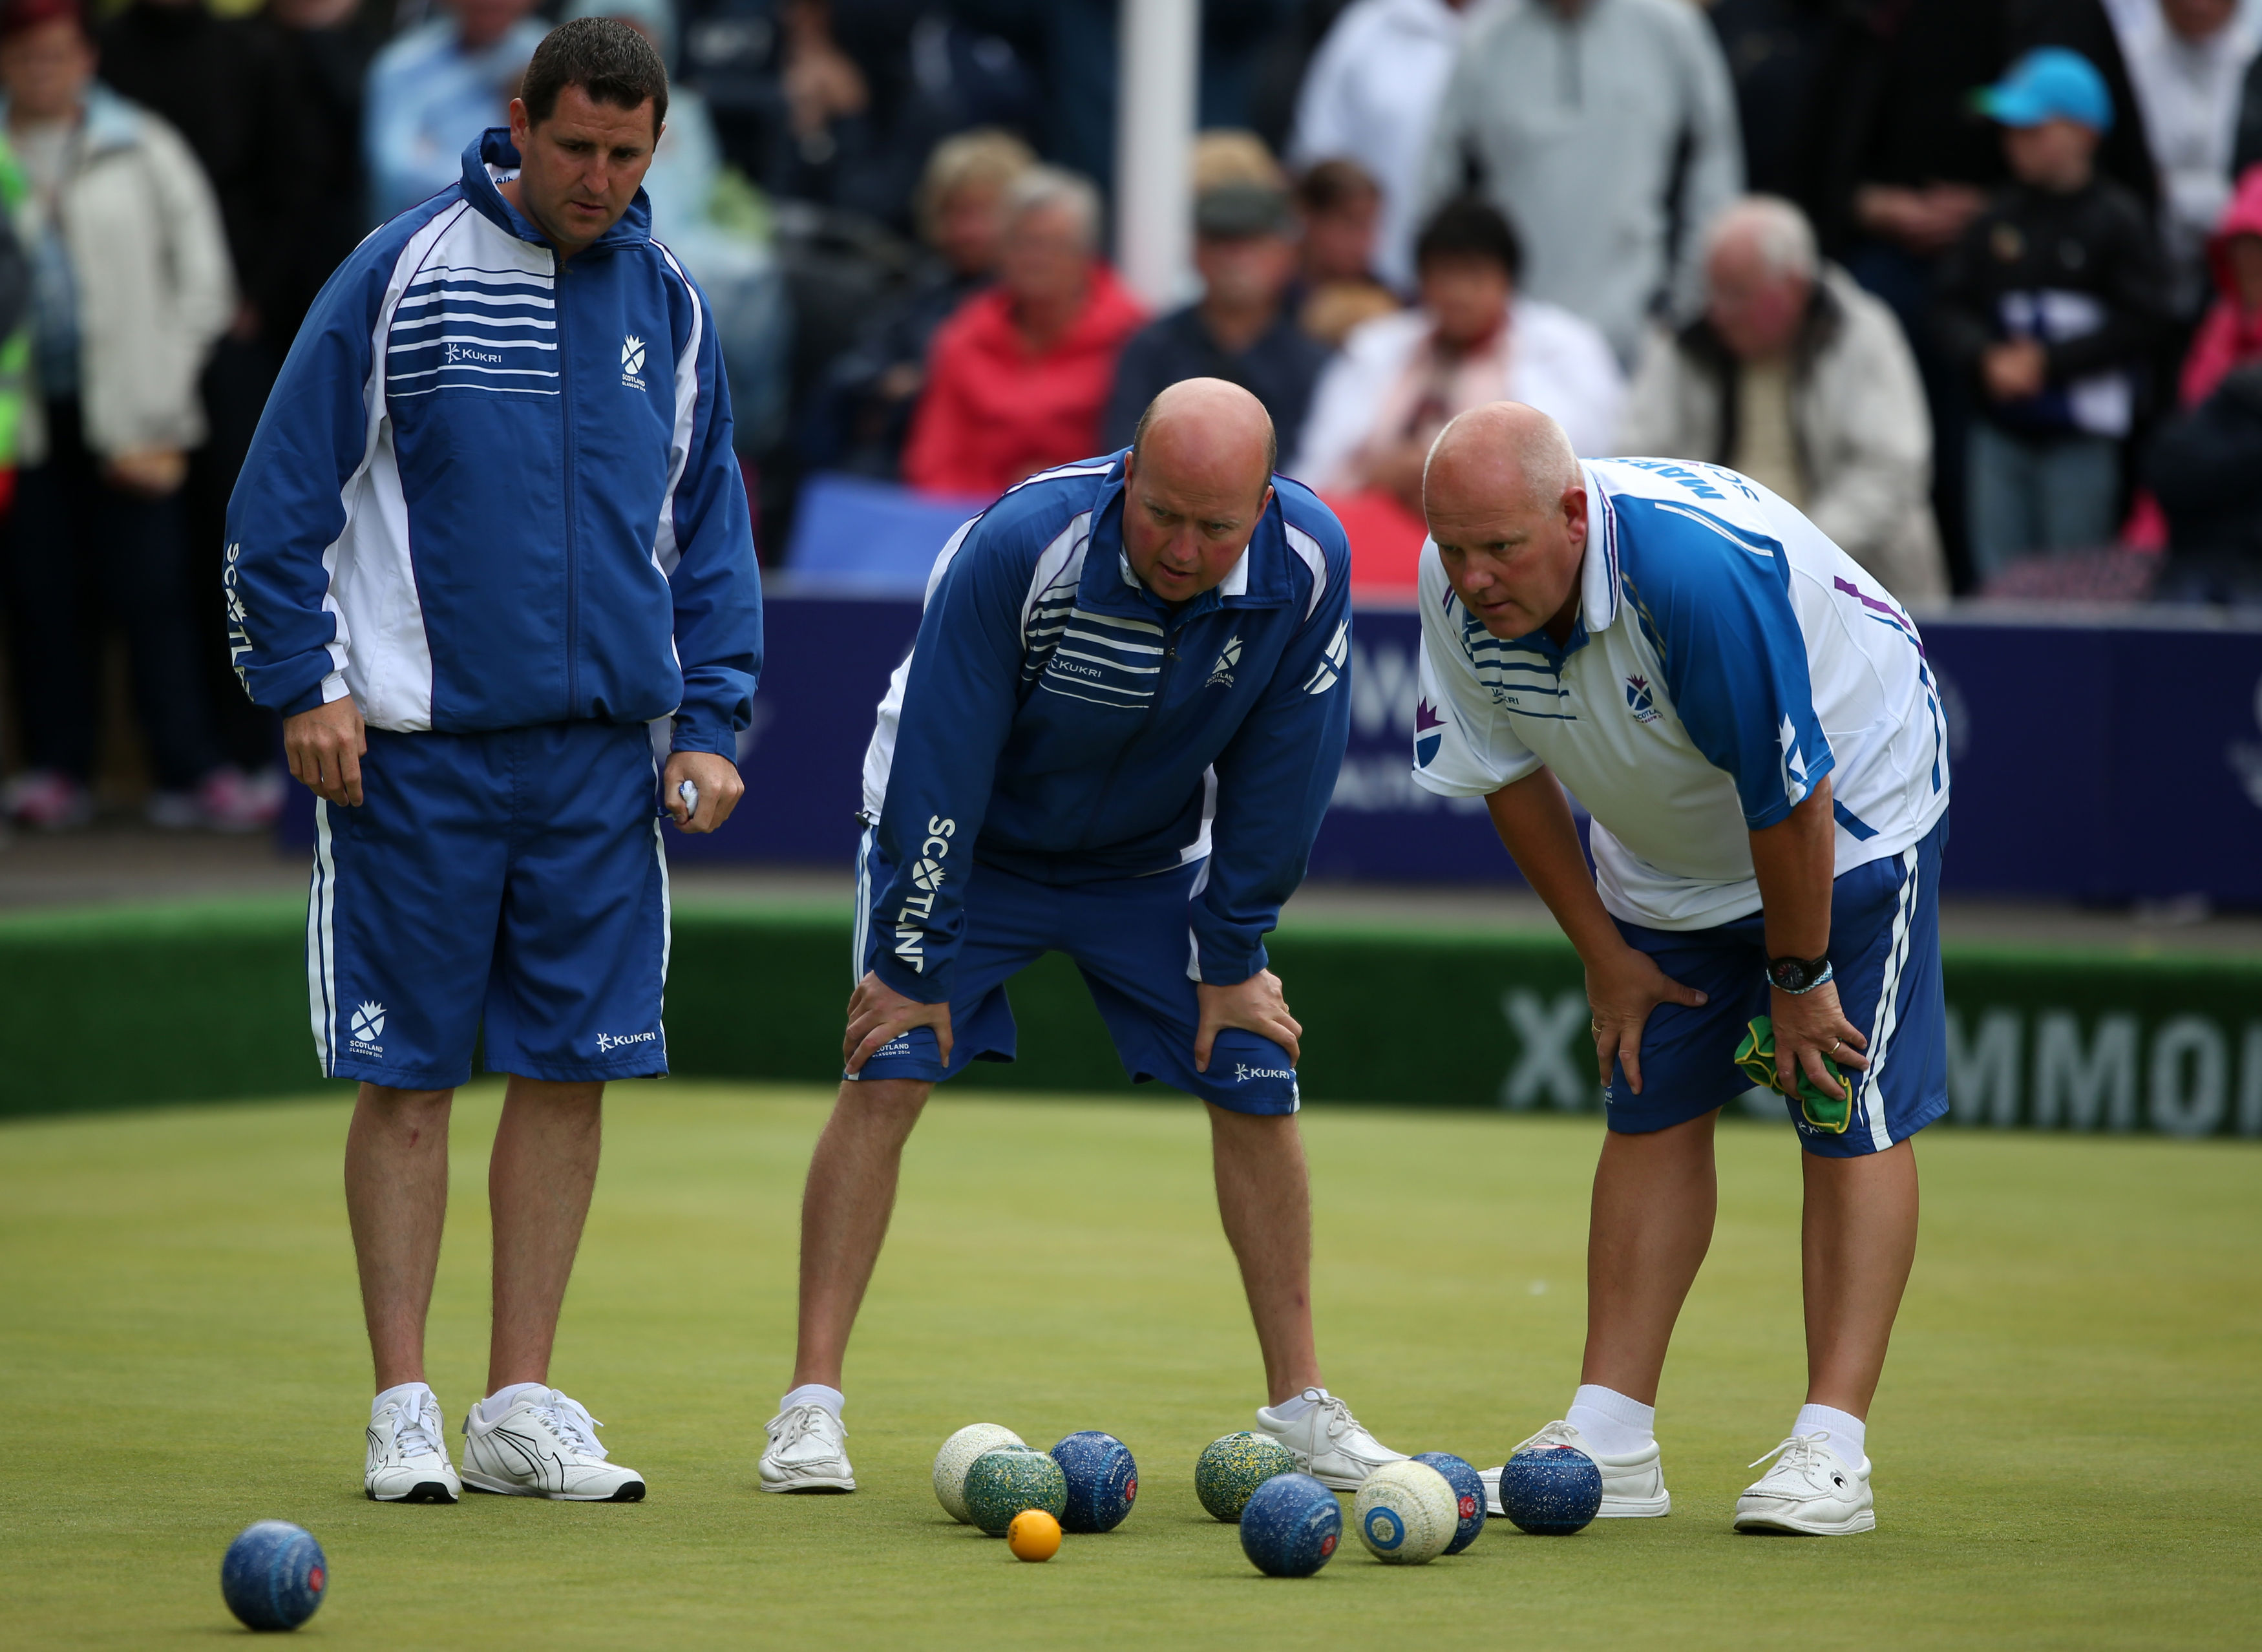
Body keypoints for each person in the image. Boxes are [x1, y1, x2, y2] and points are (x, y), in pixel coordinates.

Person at [226, 20, 762, 1503]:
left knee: (569, 1071)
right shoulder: (400, 273)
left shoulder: (677, 305)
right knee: (409, 1078)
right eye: (574, 145)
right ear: (518, 121)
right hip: (417, 760)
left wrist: (712, 722)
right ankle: (403, 1403)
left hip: (601, 768)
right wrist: (302, 686)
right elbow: (278, 502)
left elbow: (709, 533)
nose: (596, 178)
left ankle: (517, 1403)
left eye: (625, 154)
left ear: (658, 149)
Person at [760, 377, 1404, 1498]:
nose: (1184, 549)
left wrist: (1235, 953)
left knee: (1254, 1067)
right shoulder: (1021, 542)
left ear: (1263, 503)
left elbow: (1287, 763)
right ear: (1126, 477)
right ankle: (809, 1409)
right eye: (1162, 514)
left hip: (1148, 860)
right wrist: (914, 960)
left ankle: (1301, 1405)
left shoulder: (1310, 562)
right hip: (969, 839)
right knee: (890, 1066)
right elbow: (941, 753)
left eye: (1216, 526)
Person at [1415, 402, 1950, 1537]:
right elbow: (1503, 770)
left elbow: (1790, 792)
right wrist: (1605, 958)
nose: (1474, 577)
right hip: (1662, 845)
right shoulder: (1454, 580)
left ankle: (1831, 1451)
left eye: (1500, 549)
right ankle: (1610, 1439)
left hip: (1849, 809)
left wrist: (1799, 980)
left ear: (1572, 515)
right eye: (1454, 549)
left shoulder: (1692, 577)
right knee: (1648, 1101)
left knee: (1837, 1098)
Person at [0, 0, 240, 833]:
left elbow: (205, 281)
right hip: (24, 422)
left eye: (56, 55)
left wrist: (161, 388)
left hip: (138, 415)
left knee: (158, 596)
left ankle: (190, 769)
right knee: (42, 596)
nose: (42, 71)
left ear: (86, 60)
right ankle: (57, 770)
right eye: (25, 57)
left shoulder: (143, 144)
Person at [1618, 197, 1949, 604]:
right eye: (1713, 291)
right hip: (1714, 578)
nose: (1719, 311)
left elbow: (1894, 469)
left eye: (1737, 293)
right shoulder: (1685, 340)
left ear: (1794, 287)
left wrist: (1794, 554)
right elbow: (1635, 467)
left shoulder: (1863, 332)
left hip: (1857, 582)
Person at [1294, 196, 1622, 584]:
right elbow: (1321, 466)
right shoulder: (1377, 347)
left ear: (1507, 280)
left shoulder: (1566, 350)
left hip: (1498, 543)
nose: (1458, 293)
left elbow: (1577, 471)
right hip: (1371, 536)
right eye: (1443, 276)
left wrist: (1439, 474)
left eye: (1474, 276)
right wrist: (1384, 472)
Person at [1935, 48, 2170, 579]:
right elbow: (1950, 303)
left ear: (2084, 134)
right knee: (1999, 579)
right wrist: (1986, 357)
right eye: (2009, 127)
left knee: (2074, 579)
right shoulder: (1996, 216)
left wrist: (2050, 362)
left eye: (2033, 127)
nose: (2015, 139)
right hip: (2001, 430)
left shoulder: (2119, 220)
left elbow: (2148, 317)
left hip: (2082, 436)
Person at [1417, 0, 1742, 365]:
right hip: (1514, 344)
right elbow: (1442, 193)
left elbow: (1712, 169)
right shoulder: (1484, 39)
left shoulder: (1673, 30)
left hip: (1644, 331)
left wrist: (1687, 303)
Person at [803, 127, 1034, 480]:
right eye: (954, 213)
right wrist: (884, 385)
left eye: (981, 213)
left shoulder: (1035, 302)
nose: (966, 231)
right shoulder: (924, 291)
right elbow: (856, 367)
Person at [900, 165, 1143, 498]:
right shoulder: (963, 337)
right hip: (974, 523)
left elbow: (1138, 464)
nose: (1035, 260)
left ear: (1086, 253)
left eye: (1053, 245)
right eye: (1023, 243)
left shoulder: (1133, 337)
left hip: (1093, 524)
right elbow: (933, 462)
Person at [1101, 178, 1330, 460]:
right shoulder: (1151, 349)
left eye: (1253, 243)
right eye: (1221, 242)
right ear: (1196, 251)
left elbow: (1316, 469)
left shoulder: (1313, 362)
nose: (1236, 259)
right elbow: (1123, 454)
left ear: (1286, 253)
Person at [1286, 0, 1485, 292]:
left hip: (1479, 276)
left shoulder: (1516, 31)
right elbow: (1318, 156)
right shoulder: (1367, 28)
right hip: (1370, 276)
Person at [2112, 0, 2257, 321]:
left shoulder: (2253, 68)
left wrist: (2173, 193)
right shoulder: (2126, 65)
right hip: (2143, 280)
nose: (2198, 6)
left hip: (2239, 289)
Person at [363, 0, 546, 224]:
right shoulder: (402, 66)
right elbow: (396, 174)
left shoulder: (553, 60)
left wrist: (436, 159)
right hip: (420, 237)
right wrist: (505, 182)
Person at [1290, 157, 1399, 348]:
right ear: (1309, 219)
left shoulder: (1397, 306)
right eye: (1351, 224)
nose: (1365, 241)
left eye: (1372, 225)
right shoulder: (1271, 304)